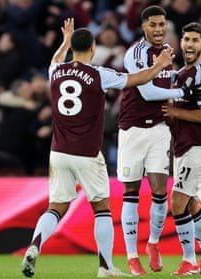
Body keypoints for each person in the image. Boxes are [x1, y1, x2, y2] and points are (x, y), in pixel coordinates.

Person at [20, 18, 177, 278]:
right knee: (102, 208)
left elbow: (56, 59)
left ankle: (35, 245)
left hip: (58, 152)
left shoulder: (56, 70)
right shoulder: (99, 74)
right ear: (93, 49)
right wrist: (159, 65)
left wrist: (64, 42)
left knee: (56, 206)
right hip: (87, 153)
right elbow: (136, 79)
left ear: (72, 48)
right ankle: (105, 267)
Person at [116, 5, 201, 275]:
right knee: (131, 192)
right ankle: (132, 257)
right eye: (153, 24)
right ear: (144, 27)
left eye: (161, 24)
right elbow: (146, 92)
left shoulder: (167, 51)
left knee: (159, 190)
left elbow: (167, 88)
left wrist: (180, 90)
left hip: (158, 129)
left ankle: (153, 243)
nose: (158, 29)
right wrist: (183, 91)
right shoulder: (135, 53)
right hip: (132, 129)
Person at [161, 22, 201, 275]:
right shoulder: (182, 74)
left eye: (195, 40)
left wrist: (174, 111)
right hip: (184, 147)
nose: (189, 44)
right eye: (186, 39)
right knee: (191, 203)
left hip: (200, 147)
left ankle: (189, 260)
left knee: (177, 203)